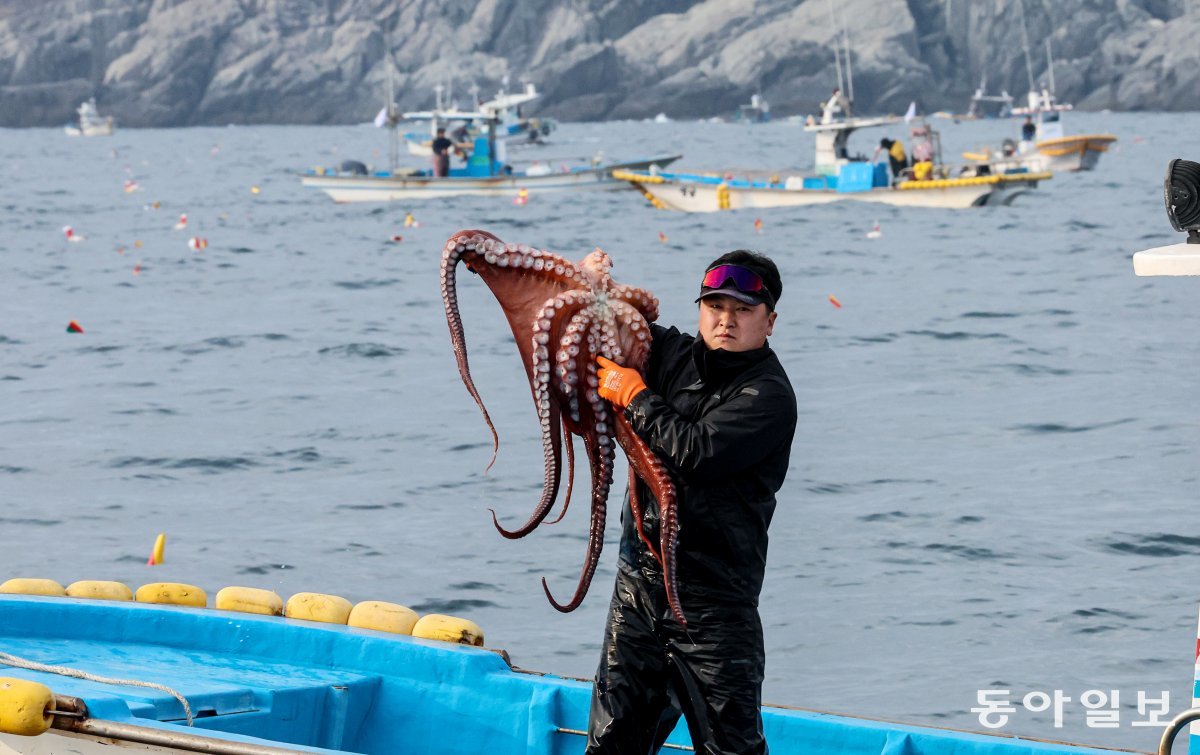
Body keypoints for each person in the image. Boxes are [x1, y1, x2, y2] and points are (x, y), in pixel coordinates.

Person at [586, 251, 798, 755]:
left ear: (769, 321)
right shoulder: (670, 353)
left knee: (730, 748)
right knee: (611, 742)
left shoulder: (768, 395)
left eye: (743, 310)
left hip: (713, 605)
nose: (725, 320)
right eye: (715, 306)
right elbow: (607, 324)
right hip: (638, 587)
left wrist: (635, 396)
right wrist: (593, 285)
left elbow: (696, 450)